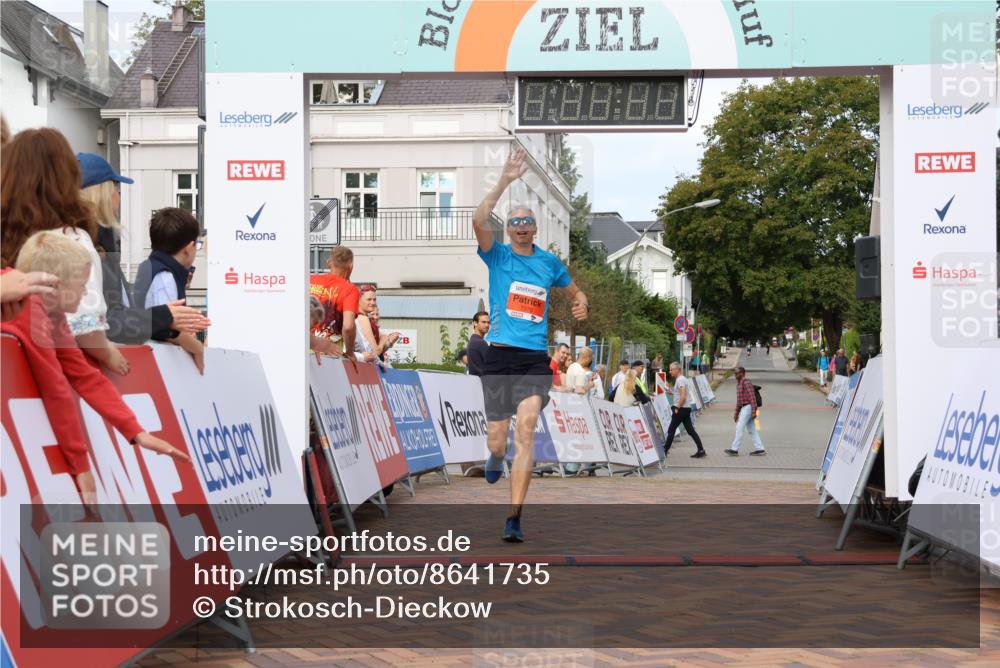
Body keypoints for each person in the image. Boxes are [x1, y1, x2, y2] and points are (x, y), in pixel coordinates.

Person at [3, 231, 190, 505]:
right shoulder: (34, 312)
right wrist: (81, 466)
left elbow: (85, 376)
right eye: (82, 286)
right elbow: (56, 389)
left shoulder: (48, 312)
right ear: (56, 286)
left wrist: (137, 432)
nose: (86, 294)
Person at [474, 146, 589, 542]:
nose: (522, 227)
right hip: (498, 356)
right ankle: (492, 454)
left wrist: (581, 301)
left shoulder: (549, 263)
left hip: (533, 361)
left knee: (526, 430)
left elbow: (575, 292)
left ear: (535, 228)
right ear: (509, 230)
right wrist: (504, 180)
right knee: (498, 438)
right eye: (516, 222)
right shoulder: (498, 256)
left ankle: (514, 517)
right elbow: (477, 219)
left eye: (528, 223)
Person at [1, 128, 127, 376]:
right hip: (56, 370)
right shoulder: (72, 240)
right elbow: (84, 323)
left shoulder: (7, 234)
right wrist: (107, 351)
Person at [77, 153, 209, 344]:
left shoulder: (96, 243)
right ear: (102, 193)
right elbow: (107, 322)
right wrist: (166, 317)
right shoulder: (87, 246)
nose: (119, 196)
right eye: (115, 187)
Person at [133, 208, 206, 374]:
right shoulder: (165, 276)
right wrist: (196, 346)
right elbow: (165, 328)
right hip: (161, 365)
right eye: (198, 245)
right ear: (189, 247)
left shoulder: (153, 268)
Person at [310, 246, 359, 356]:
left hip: (304, 345)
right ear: (350, 266)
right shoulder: (350, 289)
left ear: (329, 263)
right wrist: (350, 353)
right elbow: (348, 326)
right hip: (329, 350)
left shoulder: (310, 280)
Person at [663, 362, 706, 458]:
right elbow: (678, 394)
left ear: (677, 369)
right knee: (690, 430)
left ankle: (664, 451)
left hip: (681, 409)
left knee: (671, 430)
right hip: (686, 408)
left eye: (671, 369)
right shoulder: (681, 379)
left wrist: (677, 407)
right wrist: (669, 390)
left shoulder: (680, 380)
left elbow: (683, 396)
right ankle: (701, 449)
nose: (670, 372)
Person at [724, 366, 766, 456]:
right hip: (744, 408)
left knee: (739, 427)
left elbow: (752, 397)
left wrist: (754, 410)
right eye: (735, 373)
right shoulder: (739, 385)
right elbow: (739, 402)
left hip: (748, 407)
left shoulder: (746, 383)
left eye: (737, 373)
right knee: (751, 429)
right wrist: (736, 414)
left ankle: (734, 449)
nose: (735, 375)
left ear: (742, 373)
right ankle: (760, 448)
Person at [467, 310, 490, 376]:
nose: (487, 325)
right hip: (482, 381)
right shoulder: (480, 343)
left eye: (488, 322)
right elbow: (492, 365)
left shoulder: (473, 340)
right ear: (475, 323)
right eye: (483, 322)